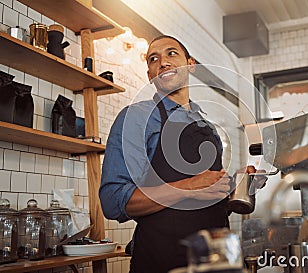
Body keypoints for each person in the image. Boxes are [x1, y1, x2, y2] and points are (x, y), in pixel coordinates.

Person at [99, 35, 259, 273]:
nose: (163, 62)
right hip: (161, 259)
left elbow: (205, 198)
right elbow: (112, 202)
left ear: (190, 64)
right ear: (150, 75)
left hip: (216, 261)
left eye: (171, 53)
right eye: (154, 59)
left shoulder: (208, 126)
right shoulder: (137, 118)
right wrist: (189, 186)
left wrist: (232, 190)